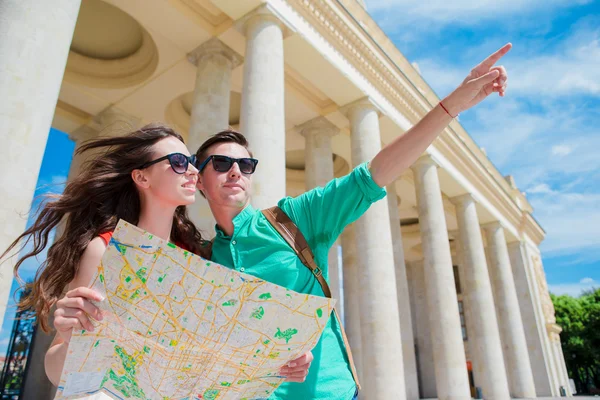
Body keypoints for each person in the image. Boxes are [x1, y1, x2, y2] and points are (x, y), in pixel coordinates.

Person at [193, 44, 512, 399]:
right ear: (199, 181)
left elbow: (374, 174)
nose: (235, 171)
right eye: (221, 164)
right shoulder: (204, 258)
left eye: (246, 165)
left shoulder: (295, 218)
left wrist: (451, 106)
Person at [0, 124, 207, 386]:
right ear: (142, 178)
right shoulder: (104, 249)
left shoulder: (195, 258)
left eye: (192, 161)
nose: (192, 170)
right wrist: (71, 335)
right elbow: (57, 371)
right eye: (178, 162)